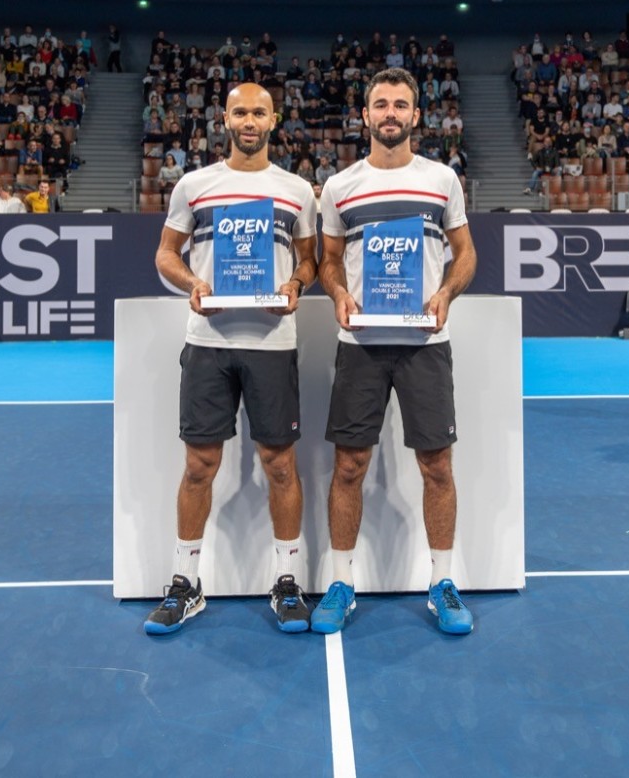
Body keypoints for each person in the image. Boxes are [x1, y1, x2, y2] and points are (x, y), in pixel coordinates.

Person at [144, 83, 318, 637]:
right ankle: (185, 583)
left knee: (280, 465)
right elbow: (166, 254)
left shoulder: (297, 191)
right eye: (240, 111)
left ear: (275, 119)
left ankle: (286, 582)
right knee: (199, 466)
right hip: (209, 342)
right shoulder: (195, 186)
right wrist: (193, 282)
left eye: (259, 112)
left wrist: (295, 282)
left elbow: (311, 262)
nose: (249, 120)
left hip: (273, 343)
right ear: (225, 119)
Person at [310, 67, 477, 637]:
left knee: (437, 466)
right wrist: (335, 290)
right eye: (380, 104)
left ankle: (442, 582)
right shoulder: (339, 186)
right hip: (360, 344)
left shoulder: (441, 180)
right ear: (364, 115)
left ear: (415, 116)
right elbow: (328, 260)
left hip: (425, 345)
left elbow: (465, 254)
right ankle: (341, 582)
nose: (389, 113)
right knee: (350, 465)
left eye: (399, 105)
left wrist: (446, 292)